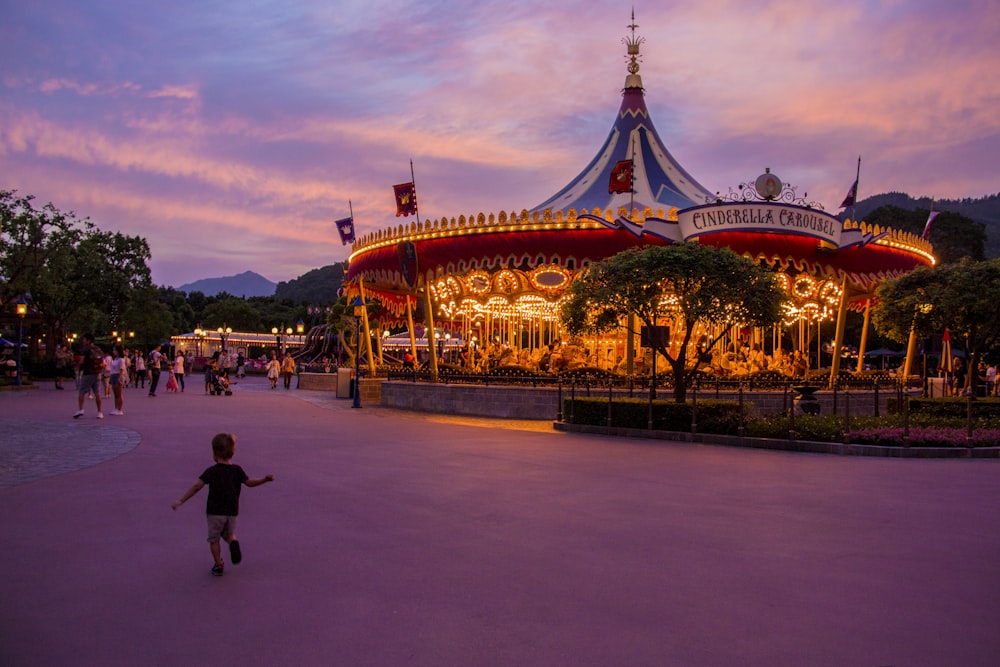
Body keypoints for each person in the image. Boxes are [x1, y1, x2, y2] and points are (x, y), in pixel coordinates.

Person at [171, 432, 274, 576]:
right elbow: (250, 483)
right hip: (232, 511)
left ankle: (218, 564)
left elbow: (196, 487)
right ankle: (233, 542)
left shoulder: (211, 472)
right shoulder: (237, 470)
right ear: (233, 452)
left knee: (214, 539)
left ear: (214, 453)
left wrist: (180, 500)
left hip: (214, 512)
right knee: (229, 534)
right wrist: (265, 479)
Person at [72, 333, 104, 419]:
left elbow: (82, 361)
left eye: (84, 339)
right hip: (97, 372)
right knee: (97, 393)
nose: (83, 341)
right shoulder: (98, 349)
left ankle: (81, 409)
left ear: (88, 341)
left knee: (82, 392)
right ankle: (99, 412)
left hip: (88, 373)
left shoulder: (86, 349)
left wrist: (77, 365)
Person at [108, 345, 126, 415]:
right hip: (113, 375)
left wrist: (119, 378)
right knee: (115, 394)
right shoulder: (115, 359)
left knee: (119, 393)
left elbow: (121, 369)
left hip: (118, 375)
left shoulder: (121, 360)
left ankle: (120, 409)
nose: (113, 351)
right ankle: (116, 408)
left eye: (115, 350)